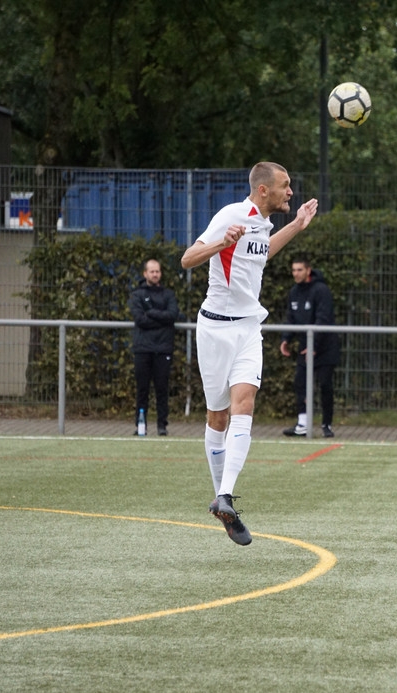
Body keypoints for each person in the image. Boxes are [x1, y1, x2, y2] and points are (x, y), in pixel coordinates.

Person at [181, 162, 318, 546]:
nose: (290, 192)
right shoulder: (232, 215)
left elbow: (261, 253)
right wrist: (222, 243)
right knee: (217, 416)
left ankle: (225, 497)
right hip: (213, 328)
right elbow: (188, 259)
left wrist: (297, 226)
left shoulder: (262, 223)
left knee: (245, 403)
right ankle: (222, 500)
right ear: (263, 191)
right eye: (285, 186)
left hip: (247, 328)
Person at [280, 256, 339, 438]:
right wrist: (286, 339)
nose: (295, 273)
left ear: (308, 270)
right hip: (305, 348)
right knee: (300, 383)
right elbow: (291, 317)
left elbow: (324, 319)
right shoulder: (294, 292)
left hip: (325, 348)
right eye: (293, 270)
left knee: (325, 385)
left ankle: (326, 425)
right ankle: (303, 424)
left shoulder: (321, 290)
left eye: (299, 270)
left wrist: (315, 346)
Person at [129, 259, 179, 436]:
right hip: (142, 349)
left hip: (163, 348)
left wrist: (151, 313)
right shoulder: (137, 295)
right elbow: (139, 319)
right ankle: (140, 426)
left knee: (162, 388)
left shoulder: (168, 295)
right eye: (152, 271)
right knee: (142, 389)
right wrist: (160, 319)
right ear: (145, 274)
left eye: (157, 271)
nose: (155, 274)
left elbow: (172, 315)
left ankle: (162, 426)